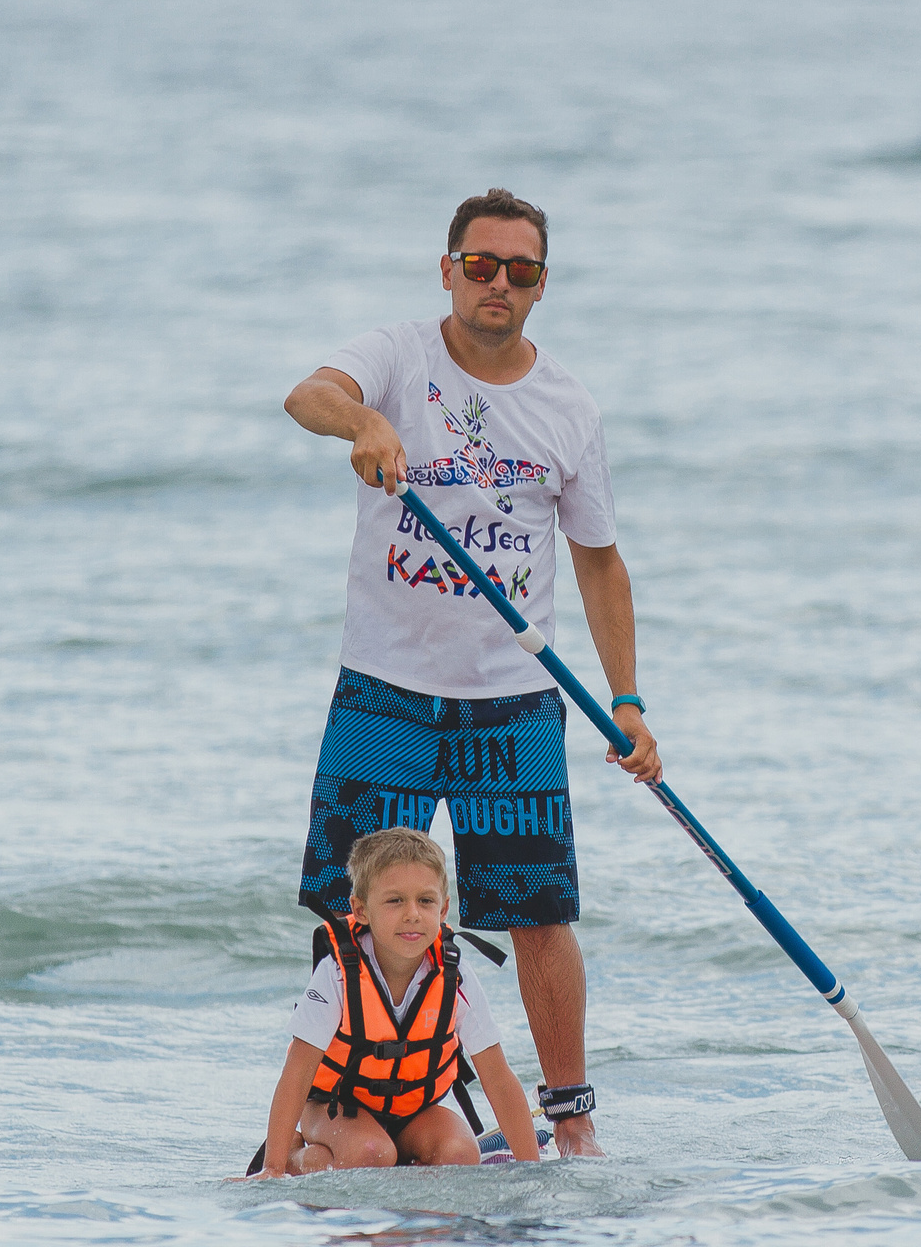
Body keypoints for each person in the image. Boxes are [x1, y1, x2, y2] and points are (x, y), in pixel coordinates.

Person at [281, 188, 658, 1158]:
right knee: (351, 913)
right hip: (383, 690)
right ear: (447, 270)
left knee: (538, 916)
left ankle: (570, 1123)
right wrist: (360, 426)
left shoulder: (567, 409)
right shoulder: (398, 358)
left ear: (541, 287)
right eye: (480, 266)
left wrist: (625, 702)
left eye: (519, 271)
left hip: (513, 700)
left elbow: (599, 560)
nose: (497, 284)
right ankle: (342, 1104)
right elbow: (307, 395)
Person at [253, 828, 539, 1174]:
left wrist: (530, 1170)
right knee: (371, 1154)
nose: (412, 914)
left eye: (426, 901)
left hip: (413, 1110)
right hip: (335, 1108)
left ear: (444, 908)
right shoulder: (338, 974)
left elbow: (497, 1075)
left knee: (461, 1155)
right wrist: (271, 1169)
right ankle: (295, 1157)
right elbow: (297, 1072)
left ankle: (401, 1161)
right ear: (360, 909)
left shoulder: (455, 974)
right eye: (395, 900)